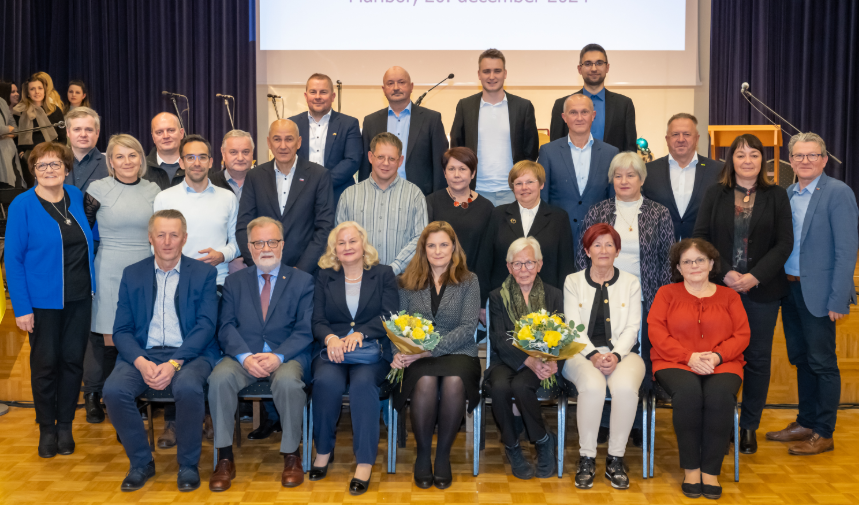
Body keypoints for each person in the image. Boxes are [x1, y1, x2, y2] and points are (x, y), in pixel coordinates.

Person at [103, 210, 219, 492]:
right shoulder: (133, 274)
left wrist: (175, 363)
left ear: (184, 238)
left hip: (190, 354)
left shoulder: (204, 273)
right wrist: (141, 362)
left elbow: (206, 326)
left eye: (174, 235)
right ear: (150, 238)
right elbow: (121, 330)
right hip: (144, 353)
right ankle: (141, 462)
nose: (167, 242)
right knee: (113, 391)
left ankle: (188, 464)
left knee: (188, 387)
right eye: (161, 235)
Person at [693, 133, 793, 454]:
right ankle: (720, 423)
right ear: (730, 160)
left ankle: (748, 426)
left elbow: (784, 243)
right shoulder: (715, 193)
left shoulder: (777, 195)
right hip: (720, 291)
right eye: (740, 154)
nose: (747, 160)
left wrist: (754, 276)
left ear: (763, 160)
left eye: (753, 154)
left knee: (757, 360)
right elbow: (701, 238)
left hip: (763, 292)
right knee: (719, 356)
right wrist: (725, 272)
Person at [765, 132, 859, 455]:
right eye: (799, 156)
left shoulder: (838, 192)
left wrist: (838, 298)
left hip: (820, 295)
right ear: (790, 161)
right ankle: (805, 422)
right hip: (789, 290)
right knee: (801, 359)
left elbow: (846, 250)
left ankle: (824, 432)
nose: (805, 161)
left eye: (812, 155)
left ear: (824, 159)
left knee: (823, 363)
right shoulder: (787, 193)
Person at [208, 216, 314, 491]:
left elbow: (305, 330)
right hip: (244, 356)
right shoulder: (234, 282)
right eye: (258, 243)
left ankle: (292, 455)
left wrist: (278, 356)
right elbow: (226, 326)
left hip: (287, 356)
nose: (266, 248)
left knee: (288, 382)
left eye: (272, 242)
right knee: (219, 378)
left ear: (282, 245)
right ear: (249, 247)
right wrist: (244, 357)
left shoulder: (303, 281)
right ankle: (224, 457)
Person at [5, 141, 95, 458]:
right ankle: (46, 428)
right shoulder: (22, 205)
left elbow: (88, 240)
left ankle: (65, 426)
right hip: (42, 302)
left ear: (67, 168)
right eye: (41, 165)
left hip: (80, 298)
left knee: (72, 362)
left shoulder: (77, 196)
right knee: (45, 365)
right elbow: (13, 260)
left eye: (55, 163)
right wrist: (22, 308)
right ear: (33, 171)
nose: (49, 170)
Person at [648, 238, 750, 500]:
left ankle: (711, 471)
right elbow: (656, 332)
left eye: (700, 260)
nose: (694, 265)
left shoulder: (730, 296)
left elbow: (742, 335)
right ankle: (691, 469)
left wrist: (717, 356)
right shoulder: (666, 294)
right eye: (687, 261)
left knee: (719, 397)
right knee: (689, 395)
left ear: (712, 264)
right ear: (678, 268)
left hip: (723, 362)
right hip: (673, 361)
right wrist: (688, 357)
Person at [309, 221, 399, 495]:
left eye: (352, 241)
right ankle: (323, 451)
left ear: (363, 244)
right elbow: (317, 319)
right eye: (341, 242)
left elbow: (390, 315)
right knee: (326, 382)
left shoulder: (383, 274)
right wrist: (330, 338)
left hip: (371, 351)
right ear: (334, 250)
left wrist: (362, 332)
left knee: (362, 386)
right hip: (333, 351)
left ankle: (364, 462)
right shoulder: (324, 276)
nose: (347, 247)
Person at [392, 221, 481, 490]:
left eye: (443, 244)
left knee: (454, 381)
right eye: (431, 245)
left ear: (454, 247)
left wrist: (430, 350)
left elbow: (467, 327)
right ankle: (422, 455)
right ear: (423, 249)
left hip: (459, 351)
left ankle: (442, 455)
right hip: (417, 355)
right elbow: (399, 325)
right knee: (425, 381)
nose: (438, 251)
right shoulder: (407, 281)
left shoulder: (469, 280)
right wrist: (399, 353)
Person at [82, 134, 161, 424]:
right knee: (110, 339)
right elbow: (83, 233)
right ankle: (104, 398)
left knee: (139, 336)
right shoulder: (97, 189)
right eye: (119, 156)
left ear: (141, 159)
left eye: (132, 155)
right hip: (109, 269)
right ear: (111, 162)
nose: (127, 161)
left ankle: (133, 397)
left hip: (144, 269)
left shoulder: (154, 190)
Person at [562, 224, 645, 490]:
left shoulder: (631, 282)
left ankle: (615, 459)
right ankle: (587, 458)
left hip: (624, 354)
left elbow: (632, 327)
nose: (603, 250)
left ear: (618, 251)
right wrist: (594, 355)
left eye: (609, 245)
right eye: (597, 245)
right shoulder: (573, 281)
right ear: (587, 251)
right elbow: (572, 327)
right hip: (581, 353)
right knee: (593, 387)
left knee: (625, 389)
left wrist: (616, 355)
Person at [486, 237, 563, 480]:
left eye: (529, 263)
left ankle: (542, 440)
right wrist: (527, 360)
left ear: (539, 264)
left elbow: (561, 334)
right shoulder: (497, 296)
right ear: (508, 267)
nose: (523, 269)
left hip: (543, 360)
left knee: (521, 386)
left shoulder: (554, 295)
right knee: (499, 387)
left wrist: (552, 360)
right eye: (517, 264)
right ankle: (512, 446)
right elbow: (499, 338)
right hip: (505, 359)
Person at [236, 119, 334, 274]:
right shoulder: (255, 177)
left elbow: (325, 228)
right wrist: (260, 265)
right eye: (277, 139)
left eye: (289, 139)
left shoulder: (319, 176)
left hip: (305, 273)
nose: (283, 146)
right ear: (269, 142)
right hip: (262, 271)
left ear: (299, 142)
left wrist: (301, 270)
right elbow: (244, 227)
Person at [477, 160, 575, 309]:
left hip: (546, 303)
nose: (524, 187)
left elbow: (565, 266)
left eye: (530, 182)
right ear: (513, 187)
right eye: (518, 183)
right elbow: (485, 261)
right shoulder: (498, 214)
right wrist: (483, 304)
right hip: (502, 302)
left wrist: (563, 304)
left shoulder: (559, 218)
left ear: (541, 184)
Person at [450, 49, 539, 206]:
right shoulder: (465, 106)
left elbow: (531, 151)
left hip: (513, 191)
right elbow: (457, 149)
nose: (492, 76)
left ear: (505, 73)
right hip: (475, 191)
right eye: (486, 71)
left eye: (497, 71)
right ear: (479, 74)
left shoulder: (523, 107)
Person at [154, 134, 239, 287]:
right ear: (181, 162)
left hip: (216, 282)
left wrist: (222, 255)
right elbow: (155, 244)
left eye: (202, 157)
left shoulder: (228, 198)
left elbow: (237, 241)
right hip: (175, 283)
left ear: (210, 162)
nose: (197, 163)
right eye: (190, 157)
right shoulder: (164, 198)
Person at [337, 132, 427, 275]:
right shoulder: (349, 196)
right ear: (370, 157)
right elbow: (339, 238)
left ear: (400, 161)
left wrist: (393, 269)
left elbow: (420, 238)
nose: (386, 163)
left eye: (392, 158)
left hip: (402, 279)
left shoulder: (414, 195)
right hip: (359, 278)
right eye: (380, 157)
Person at [539, 94, 618, 245]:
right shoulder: (548, 152)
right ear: (564, 117)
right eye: (573, 112)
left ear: (593, 115)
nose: (579, 118)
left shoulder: (610, 153)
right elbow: (543, 197)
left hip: (598, 237)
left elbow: (613, 199)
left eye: (584, 112)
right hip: (558, 234)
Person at [358, 66, 448, 196]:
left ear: (411, 87)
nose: (396, 88)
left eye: (401, 82)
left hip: (421, 195)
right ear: (383, 89)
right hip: (379, 195)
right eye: (390, 83)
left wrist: (437, 199)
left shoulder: (431, 119)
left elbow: (440, 165)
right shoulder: (371, 121)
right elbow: (365, 166)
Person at [644, 113, 724, 241]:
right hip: (659, 247)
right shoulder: (648, 171)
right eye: (675, 134)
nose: (681, 139)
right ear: (667, 139)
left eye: (687, 134)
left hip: (701, 247)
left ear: (697, 139)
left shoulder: (718, 170)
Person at [549, 43, 637, 152]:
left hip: (612, 163)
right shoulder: (561, 105)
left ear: (607, 67)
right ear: (579, 69)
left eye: (599, 63)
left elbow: (630, 151)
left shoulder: (624, 105)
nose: (594, 69)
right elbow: (554, 149)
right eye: (588, 64)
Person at [289, 73, 362, 202]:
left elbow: (352, 160)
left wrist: (321, 183)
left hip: (337, 196)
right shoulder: (292, 124)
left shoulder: (349, 124)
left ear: (333, 96)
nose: (318, 97)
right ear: (306, 96)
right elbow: (287, 158)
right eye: (313, 92)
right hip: (300, 196)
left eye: (323, 92)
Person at [425, 147, 493, 272]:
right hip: (438, 275)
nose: (457, 175)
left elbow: (487, 251)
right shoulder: (431, 202)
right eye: (451, 169)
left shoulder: (486, 207)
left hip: (474, 276)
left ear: (473, 173)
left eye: (462, 169)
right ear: (444, 173)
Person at [13, 73, 67, 187]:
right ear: (27, 93)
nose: (37, 92)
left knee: (51, 187)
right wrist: (21, 153)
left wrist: (57, 154)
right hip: (28, 158)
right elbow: (14, 136)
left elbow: (62, 137)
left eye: (40, 88)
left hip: (51, 156)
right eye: (32, 89)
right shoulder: (18, 112)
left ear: (45, 90)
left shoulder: (55, 110)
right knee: (32, 189)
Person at [64, 107, 109, 192]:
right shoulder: (54, 164)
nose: (83, 134)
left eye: (89, 130)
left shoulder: (110, 165)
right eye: (77, 129)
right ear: (68, 132)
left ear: (97, 133)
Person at [144, 112, 185, 190]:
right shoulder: (140, 169)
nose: (166, 136)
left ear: (181, 133)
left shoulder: (197, 166)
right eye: (159, 132)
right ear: (153, 138)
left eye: (171, 130)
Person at [209, 129, 253, 201]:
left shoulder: (263, 183)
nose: (240, 158)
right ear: (223, 153)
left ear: (252, 153)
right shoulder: (209, 184)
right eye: (233, 152)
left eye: (245, 152)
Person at [0, 81, 23, 187]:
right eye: (12, 91)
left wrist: (3, 134)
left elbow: (16, 129)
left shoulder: (3, 103)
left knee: (13, 188)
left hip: (9, 151)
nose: (17, 94)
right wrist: (7, 129)